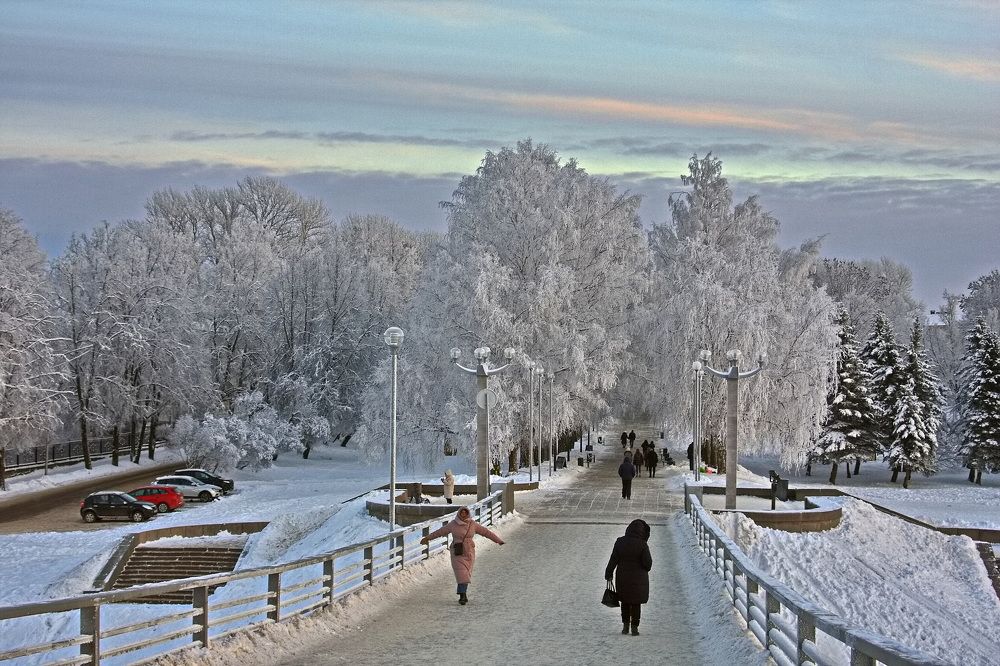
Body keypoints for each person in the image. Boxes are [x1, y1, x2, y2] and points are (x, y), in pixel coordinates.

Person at [421, 506, 504, 605]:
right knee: (462, 574)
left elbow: (486, 532)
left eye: (465, 513)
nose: (463, 514)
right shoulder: (453, 524)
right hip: (457, 551)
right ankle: (463, 595)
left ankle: (462, 592)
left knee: (466, 574)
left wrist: (498, 540)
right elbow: (440, 532)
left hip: (469, 552)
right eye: (462, 513)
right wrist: (428, 538)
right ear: (459, 514)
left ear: (468, 513)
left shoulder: (473, 524)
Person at [605, 519, 652, 636]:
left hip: (622, 577)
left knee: (625, 601)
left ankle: (625, 626)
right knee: (636, 603)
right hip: (639, 579)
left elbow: (613, 559)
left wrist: (608, 573)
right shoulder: (642, 544)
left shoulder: (620, 542)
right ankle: (635, 627)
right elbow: (648, 564)